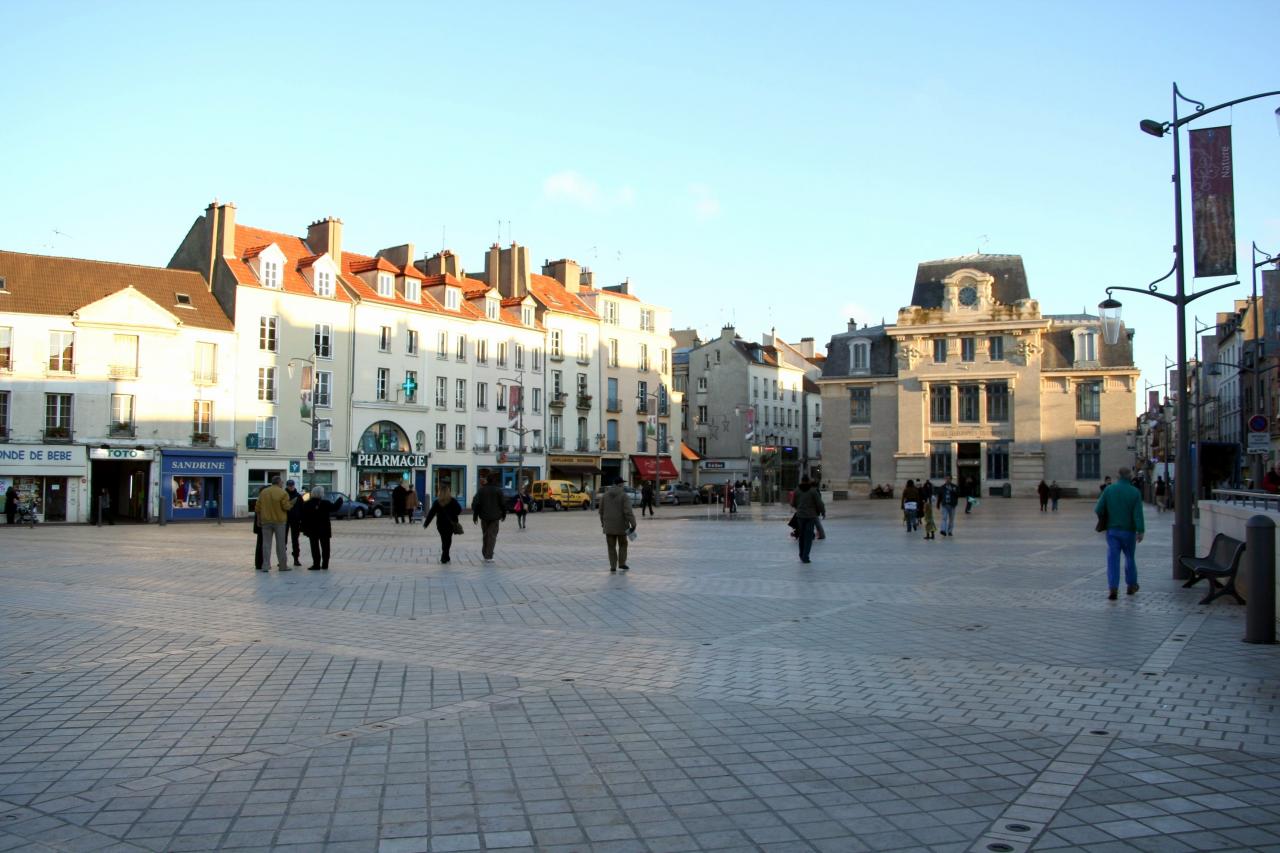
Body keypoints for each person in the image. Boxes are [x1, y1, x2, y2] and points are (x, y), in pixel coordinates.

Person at [1095, 467, 1145, 600]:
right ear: (1130, 477)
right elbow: (1138, 514)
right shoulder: (1135, 492)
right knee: (1130, 558)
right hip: (1129, 531)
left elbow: (1098, 509)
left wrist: (1106, 518)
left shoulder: (1109, 490)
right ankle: (1131, 585)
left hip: (1113, 531)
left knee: (1113, 559)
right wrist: (1140, 530)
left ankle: (1113, 588)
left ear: (1118, 476)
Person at [255, 476, 294, 572]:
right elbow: (286, 507)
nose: (283, 484)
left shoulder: (264, 492)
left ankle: (265, 565)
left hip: (266, 521)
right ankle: (283, 565)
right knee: (280, 544)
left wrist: (258, 520)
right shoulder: (283, 493)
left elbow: (258, 507)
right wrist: (291, 504)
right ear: (279, 482)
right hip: (279, 521)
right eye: (282, 482)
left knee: (266, 544)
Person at [599, 476, 637, 572]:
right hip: (621, 526)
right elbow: (628, 512)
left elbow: (601, 511)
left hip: (608, 526)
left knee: (611, 546)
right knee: (623, 544)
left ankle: (613, 566)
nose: (623, 485)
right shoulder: (624, 496)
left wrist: (603, 523)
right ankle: (622, 563)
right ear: (620, 484)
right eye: (622, 483)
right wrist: (633, 524)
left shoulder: (605, 495)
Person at [301, 486, 343, 570]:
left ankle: (316, 564)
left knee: (314, 547)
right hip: (324, 528)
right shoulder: (325, 503)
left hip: (312, 529)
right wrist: (340, 500)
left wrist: (303, 528)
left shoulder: (307, 504)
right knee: (326, 547)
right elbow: (335, 508)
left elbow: (303, 517)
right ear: (321, 494)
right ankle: (325, 564)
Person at [423, 485, 463, 563]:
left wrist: (426, 524)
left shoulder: (437, 502)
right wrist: (453, 514)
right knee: (448, 540)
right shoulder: (453, 501)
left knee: (444, 539)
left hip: (440, 524)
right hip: (450, 524)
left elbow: (431, 513)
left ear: (440, 492)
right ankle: (444, 556)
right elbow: (459, 510)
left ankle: (446, 555)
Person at [472, 472, 507, 562]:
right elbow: (503, 504)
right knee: (492, 536)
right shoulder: (498, 490)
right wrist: (503, 514)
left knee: (485, 535)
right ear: (494, 480)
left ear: (487, 480)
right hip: (495, 517)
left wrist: (475, 516)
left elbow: (476, 504)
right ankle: (488, 556)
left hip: (484, 516)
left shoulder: (481, 490)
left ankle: (485, 553)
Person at [790, 477, 825, 564]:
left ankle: (801, 554)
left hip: (800, 516)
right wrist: (823, 512)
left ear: (801, 481)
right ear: (808, 481)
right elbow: (819, 503)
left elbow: (793, 503)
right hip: (810, 516)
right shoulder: (813, 491)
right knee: (808, 537)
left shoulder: (797, 490)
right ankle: (805, 556)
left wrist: (799, 507)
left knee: (802, 536)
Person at [285, 480, 304, 566]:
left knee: (295, 540)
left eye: (292, 485)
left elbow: (302, 508)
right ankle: (282, 559)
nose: (291, 487)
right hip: (285, 519)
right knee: (283, 540)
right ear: (287, 486)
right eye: (289, 485)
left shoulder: (298, 496)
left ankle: (296, 558)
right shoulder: (283, 495)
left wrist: (302, 520)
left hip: (296, 520)